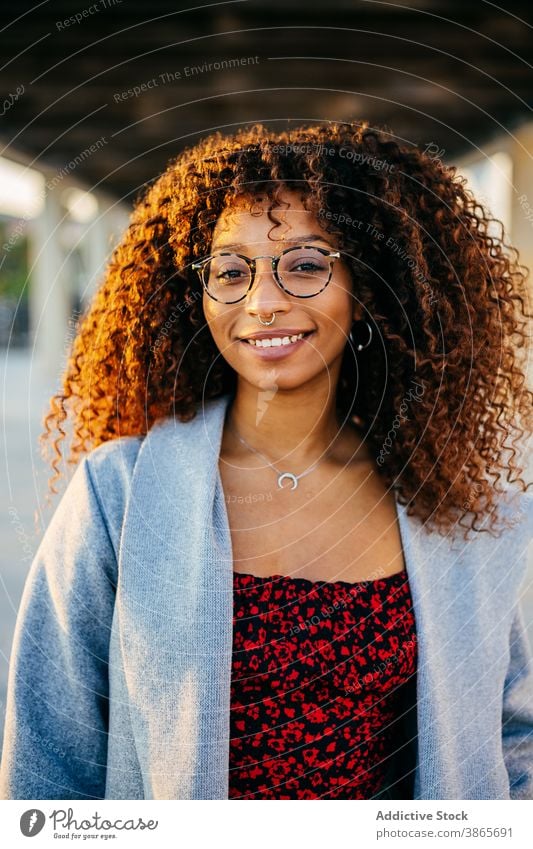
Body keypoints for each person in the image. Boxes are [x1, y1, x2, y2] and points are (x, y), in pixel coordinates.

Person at [1, 120, 532, 801]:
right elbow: (48, 763)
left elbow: (507, 736)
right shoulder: (120, 494)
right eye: (229, 270)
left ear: (367, 285)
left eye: (306, 264)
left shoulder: (442, 504)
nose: (262, 301)